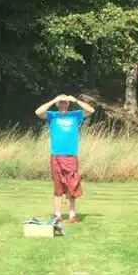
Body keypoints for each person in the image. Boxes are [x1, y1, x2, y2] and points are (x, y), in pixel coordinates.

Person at [35, 94, 95, 223]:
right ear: (57, 104)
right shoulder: (52, 115)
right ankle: (58, 215)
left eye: (65, 102)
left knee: (71, 186)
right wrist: (54, 100)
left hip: (71, 155)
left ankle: (72, 215)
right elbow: (38, 112)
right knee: (58, 187)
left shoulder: (75, 115)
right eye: (61, 102)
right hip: (56, 155)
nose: (63, 104)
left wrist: (75, 100)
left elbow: (91, 110)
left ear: (68, 104)